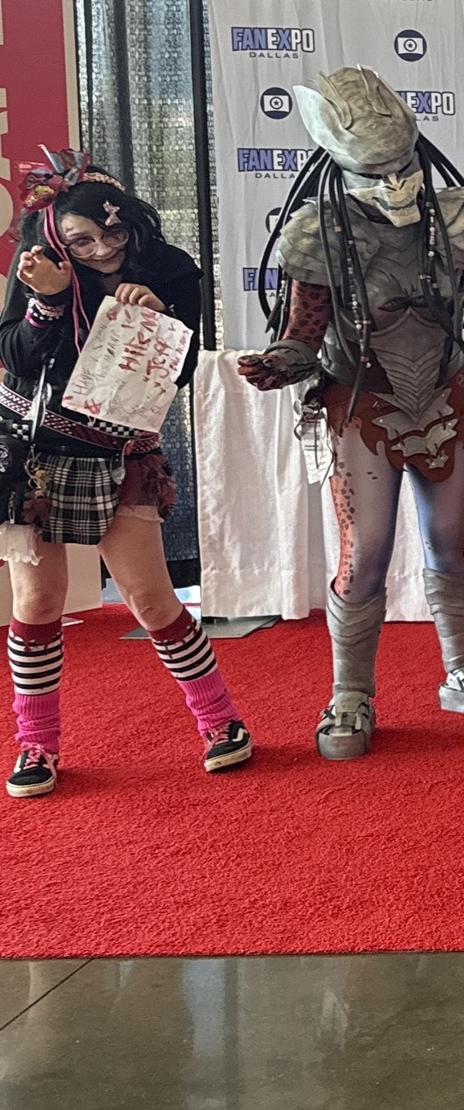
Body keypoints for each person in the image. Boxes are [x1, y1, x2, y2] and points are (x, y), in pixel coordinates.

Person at [238, 67, 464, 759]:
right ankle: (350, 691)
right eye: (376, 170)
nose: (394, 183)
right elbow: (305, 333)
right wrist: (283, 363)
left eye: (401, 166)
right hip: (360, 399)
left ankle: (463, 670)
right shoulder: (317, 232)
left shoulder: (454, 218)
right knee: (364, 554)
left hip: (447, 391)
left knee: (451, 542)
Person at [3, 153, 250, 797]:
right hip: (32, 449)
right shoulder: (37, 265)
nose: (104, 248)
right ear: (58, 237)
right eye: (84, 241)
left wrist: (153, 317)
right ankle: (36, 746)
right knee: (36, 603)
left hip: (119, 449)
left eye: (114, 233)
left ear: (131, 222)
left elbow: (184, 367)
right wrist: (49, 302)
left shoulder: (168, 267)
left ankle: (222, 723)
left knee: (150, 598)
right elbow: (17, 356)